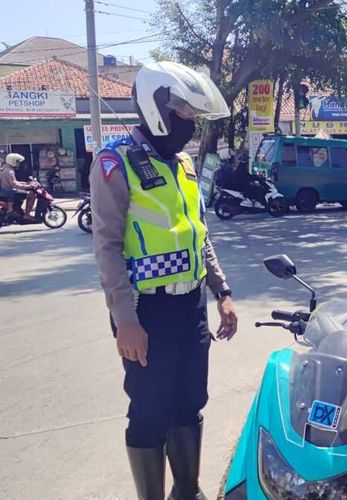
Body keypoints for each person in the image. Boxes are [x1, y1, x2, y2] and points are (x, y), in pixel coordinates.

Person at [90, 61, 238, 500]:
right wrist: (126, 320)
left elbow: (199, 233)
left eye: (194, 116)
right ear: (156, 108)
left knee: (190, 402)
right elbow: (108, 248)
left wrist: (222, 290)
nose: (189, 124)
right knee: (150, 411)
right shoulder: (115, 163)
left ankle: (187, 492)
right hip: (144, 310)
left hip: (189, 305)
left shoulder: (186, 166)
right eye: (185, 114)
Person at [0, 153, 38, 219]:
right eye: (17, 162)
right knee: (31, 194)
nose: (19, 164)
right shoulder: (9, 171)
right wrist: (29, 186)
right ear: (13, 161)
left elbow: (14, 182)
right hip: (10, 192)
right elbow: (14, 184)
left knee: (23, 193)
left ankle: (18, 210)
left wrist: (26, 183)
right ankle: (27, 215)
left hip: (6, 192)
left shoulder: (5, 169)